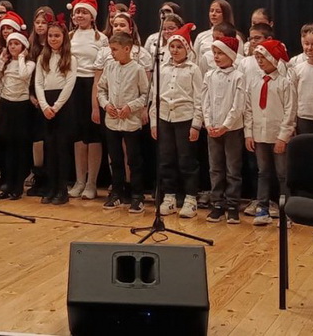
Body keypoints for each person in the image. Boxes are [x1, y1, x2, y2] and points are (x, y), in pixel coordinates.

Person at [149, 23, 203, 219]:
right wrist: (154, 122)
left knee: (186, 160)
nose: (175, 50)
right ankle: (169, 196)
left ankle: (190, 199)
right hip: (165, 118)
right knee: (166, 159)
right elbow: (155, 95)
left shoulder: (193, 70)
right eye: (172, 46)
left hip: (185, 118)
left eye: (179, 47)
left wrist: (196, 124)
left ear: (187, 48)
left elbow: (199, 98)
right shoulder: (162, 68)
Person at [244, 39, 296, 227]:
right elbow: (248, 109)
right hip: (259, 135)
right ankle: (262, 209)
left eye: (263, 57)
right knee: (263, 172)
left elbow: (290, 111)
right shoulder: (254, 81)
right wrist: (248, 134)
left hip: (277, 135)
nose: (259, 61)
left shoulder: (284, 83)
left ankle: (286, 212)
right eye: (257, 57)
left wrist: (283, 137)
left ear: (273, 58)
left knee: (283, 174)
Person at [98, 32, 150, 214]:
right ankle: (116, 193)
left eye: (115, 49)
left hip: (130, 121)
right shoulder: (110, 67)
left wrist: (131, 106)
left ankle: (137, 196)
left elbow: (145, 94)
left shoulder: (138, 69)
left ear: (127, 49)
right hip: (112, 120)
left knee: (134, 160)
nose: (112, 53)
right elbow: (101, 90)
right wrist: (106, 105)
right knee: (115, 159)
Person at [67, 0, 108, 200]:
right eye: (77, 12)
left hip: (92, 85)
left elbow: (104, 67)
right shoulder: (69, 36)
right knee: (78, 136)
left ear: (92, 17)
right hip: (73, 86)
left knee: (93, 136)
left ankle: (92, 182)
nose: (80, 15)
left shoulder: (101, 38)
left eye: (84, 12)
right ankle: (79, 181)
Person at [202, 36, 246, 224]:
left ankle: (233, 205)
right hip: (213, 129)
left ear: (231, 55)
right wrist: (208, 123)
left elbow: (238, 105)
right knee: (215, 168)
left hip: (232, 129)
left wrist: (225, 126)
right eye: (215, 53)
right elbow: (205, 101)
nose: (217, 57)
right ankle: (217, 203)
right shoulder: (209, 75)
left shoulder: (238, 76)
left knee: (232, 169)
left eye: (221, 53)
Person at [34, 15, 77, 205]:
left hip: (62, 105)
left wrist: (56, 106)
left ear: (64, 37)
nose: (53, 39)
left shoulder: (70, 58)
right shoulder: (42, 58)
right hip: (46, 104)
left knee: (61, 148)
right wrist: (44, 105)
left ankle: (62, 190)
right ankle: (50, 188)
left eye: (57, 36)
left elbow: (69, 84)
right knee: (49, 148)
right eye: (50, 36)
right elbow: (38, 83)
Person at [0, 31, 35, 199]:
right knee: (7, 147)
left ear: (24, 47)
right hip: (6, 106)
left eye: (16, 44)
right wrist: (0, 61)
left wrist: (21, 57)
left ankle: (17, 185)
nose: (13, 47)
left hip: (21, 107)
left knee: (20, 147)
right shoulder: (5, 63)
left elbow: (24, 75)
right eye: (10, 44)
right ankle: (7, 183)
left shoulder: (29, 63)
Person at [25, 6, 55, 197]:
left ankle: (51, 179)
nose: (40, 26)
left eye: (44, 22)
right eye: (37, 22)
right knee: (36, 140)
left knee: (50, 139)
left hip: (50, 97)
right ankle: (38, 176)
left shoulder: (54, 46)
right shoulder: (31, 47)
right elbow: (27, 76)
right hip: (33, 98)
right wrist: (31, 96)